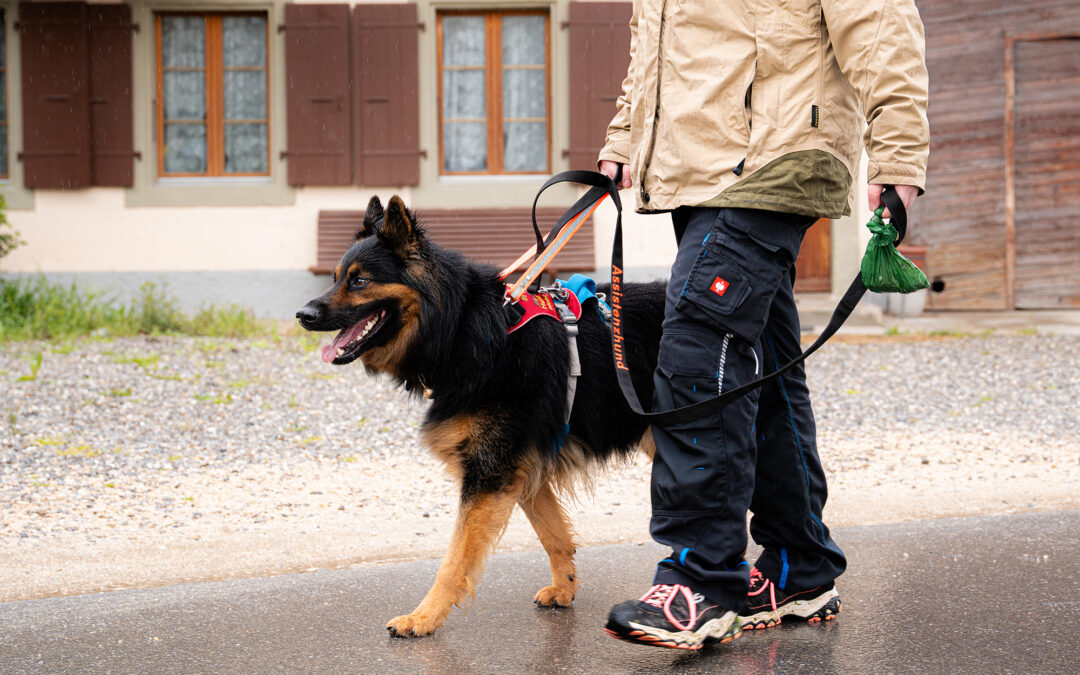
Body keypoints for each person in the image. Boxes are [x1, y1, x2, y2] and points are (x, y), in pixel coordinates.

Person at [597, 0, 929, 649]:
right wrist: (622, 137)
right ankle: (798, 562)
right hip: (696, 169)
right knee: (761, 364)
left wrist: (898, 159)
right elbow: (656, 43)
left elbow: (880, 20)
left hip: (774, 157)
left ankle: (704, 572)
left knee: (697, 345)